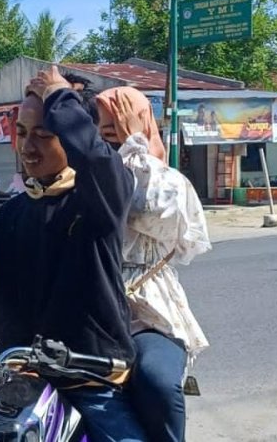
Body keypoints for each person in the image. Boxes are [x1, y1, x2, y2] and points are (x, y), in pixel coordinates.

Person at [0, 66, 146, 441]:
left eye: (44, 134)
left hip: (93, 376)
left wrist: (58, 95)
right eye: (21, 133)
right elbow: (0, 300)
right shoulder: (12, 213)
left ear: (70, 138)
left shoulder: (97, 200)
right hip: (29, 374)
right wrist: (18, 358)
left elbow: (99, 161)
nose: (28, 147)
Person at [96, 86, 211, 442]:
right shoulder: (87, 173)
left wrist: (135, 145)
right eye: (103, 129)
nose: (110, 136)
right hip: (91, 305)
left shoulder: (167, 181)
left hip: (148, 314)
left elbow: (144, 208)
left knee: (155, 378)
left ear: (144, 123)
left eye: (118, 126)